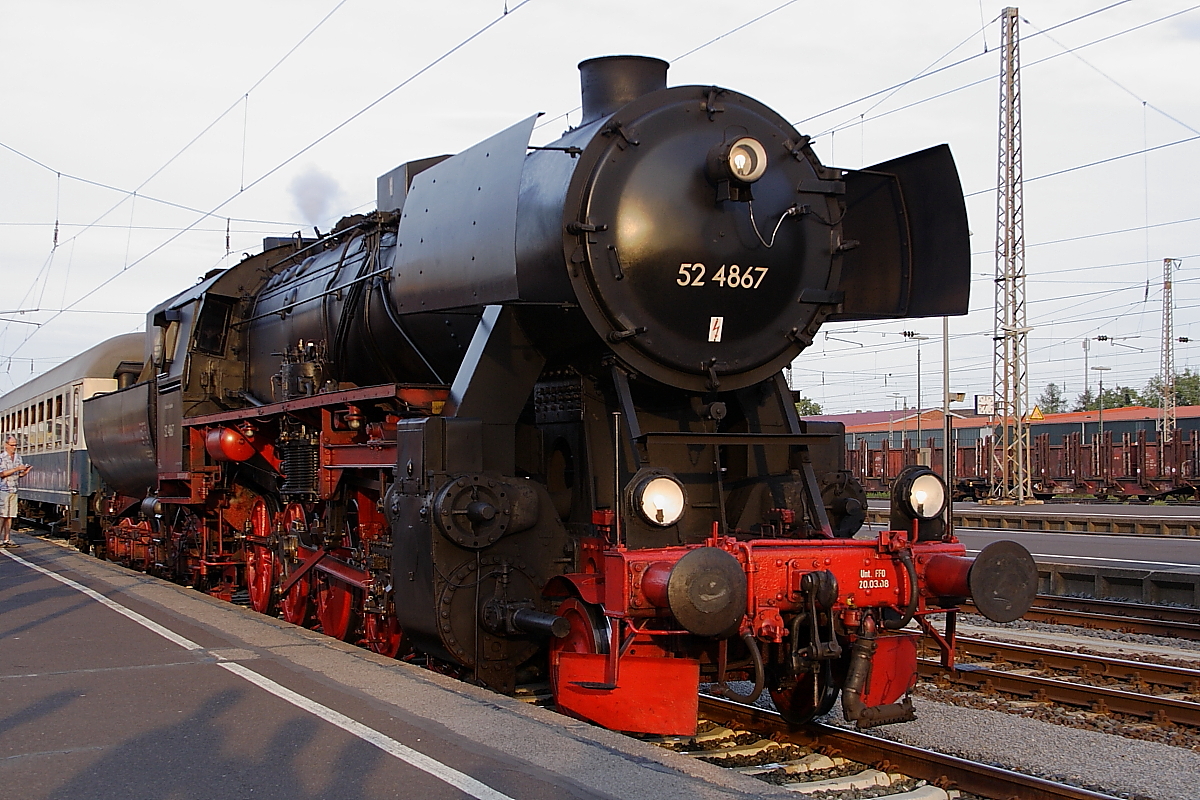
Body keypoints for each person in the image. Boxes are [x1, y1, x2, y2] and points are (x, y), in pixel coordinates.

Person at [1, 436, 31, 548]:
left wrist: (24, 472)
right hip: (3, 489)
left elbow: (19, 475)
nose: (14, 447)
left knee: (10, 516)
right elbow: (1, 474)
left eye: (15, 445)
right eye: (12, 445)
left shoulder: (18, 458)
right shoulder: (1, 458)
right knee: (2, 515)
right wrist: (16, 469)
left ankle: (7, 539)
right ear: (6, 445)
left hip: (14, 489)